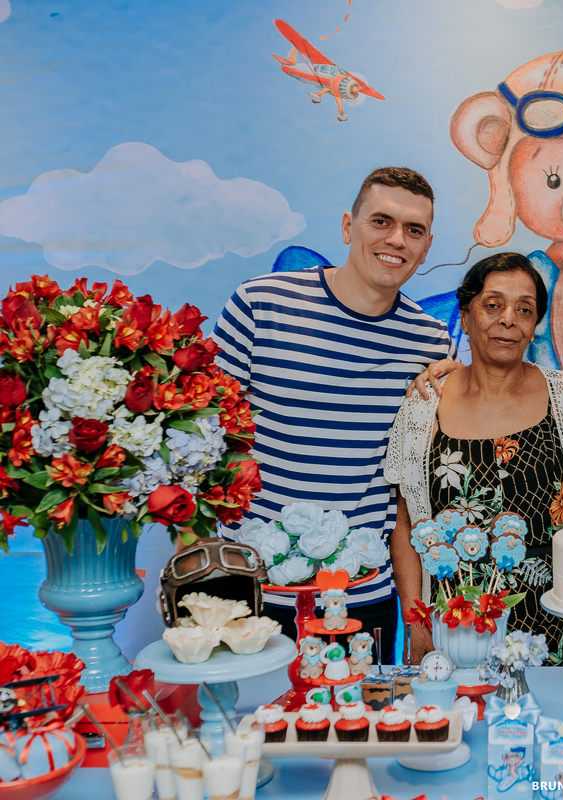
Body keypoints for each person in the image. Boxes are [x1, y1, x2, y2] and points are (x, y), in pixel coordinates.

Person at [212, 166, 456, 663]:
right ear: (348, 226)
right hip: (247, 587)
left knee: (355, 715)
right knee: (249, 714)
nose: (396, 239)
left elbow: (410, 480)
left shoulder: (430, 341)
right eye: (380, 221)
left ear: (427, 247)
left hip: (360, 596)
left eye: (413, 230)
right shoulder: (260, 304)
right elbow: (202, 434)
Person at [385, 253, 563, 665]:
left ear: (535, 325)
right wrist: (416, 625)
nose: (508, 319)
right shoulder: (424, 405)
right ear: (465, 317)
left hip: (554, 625)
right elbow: (404, 524)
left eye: (524, 309)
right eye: (493, 305)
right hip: (453, 628)